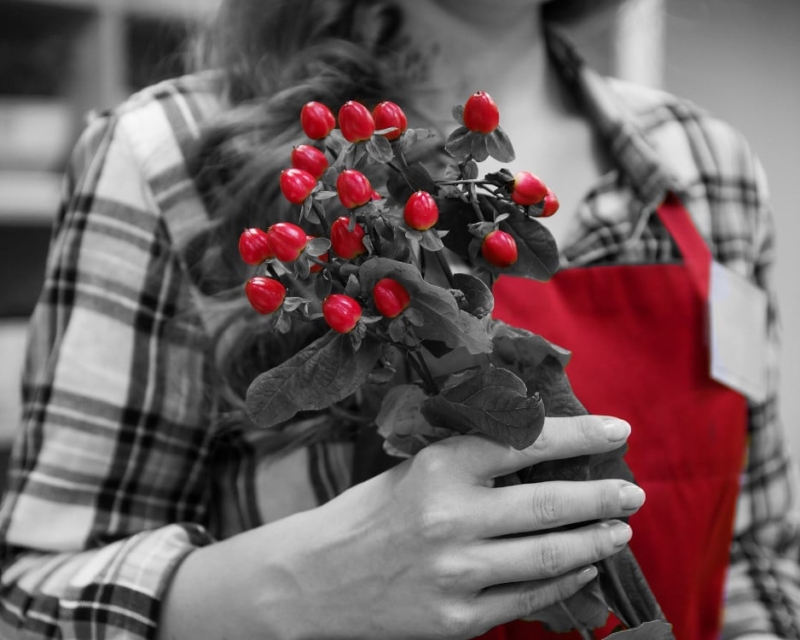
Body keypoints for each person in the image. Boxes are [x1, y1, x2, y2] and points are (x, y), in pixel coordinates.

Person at [0, 1, 797, 639]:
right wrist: (292, 590)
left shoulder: (706, 165)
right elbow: (31, 598)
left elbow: (755, 555)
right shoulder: (170, 151)